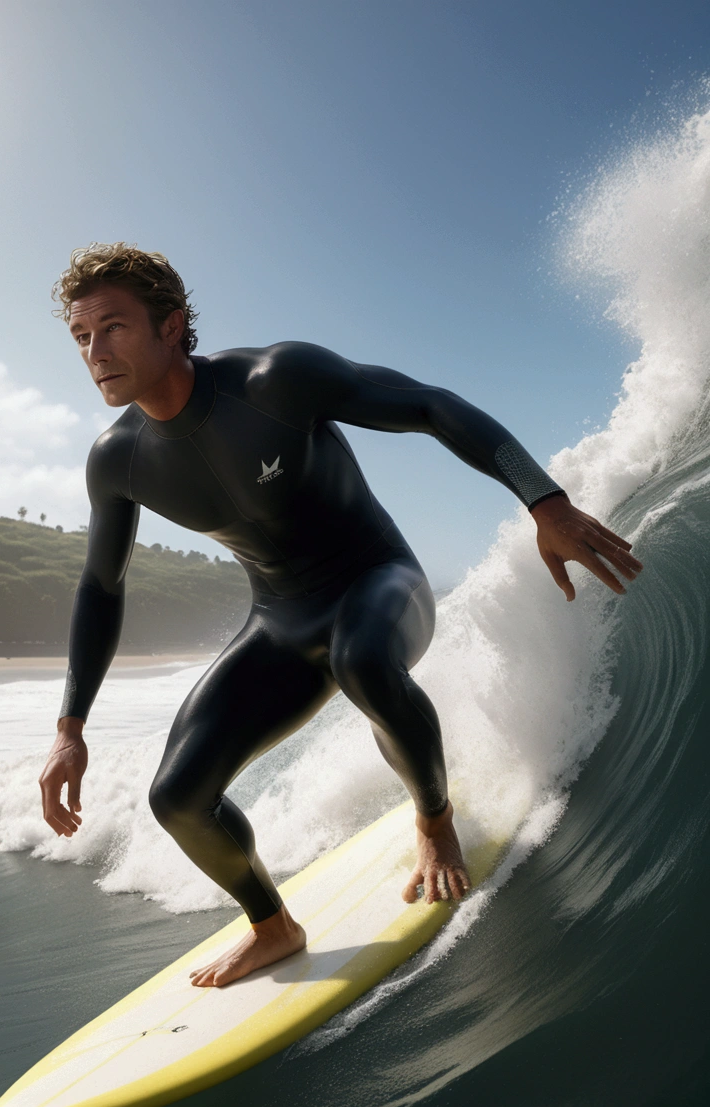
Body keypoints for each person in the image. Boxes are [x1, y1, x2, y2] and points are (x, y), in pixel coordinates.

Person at [39, 243, 642, 988]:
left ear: (171, 325)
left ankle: (434, 819)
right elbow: (102, 587)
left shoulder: (273, 381)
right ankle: (273, 927)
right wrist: (70, 728)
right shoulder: (118, 459)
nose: (95, 352)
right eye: (81, 337)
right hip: (281, 622)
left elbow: (428, 405)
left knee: (363, 661)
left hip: (379, 584)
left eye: (113, 328)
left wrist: (544, 502)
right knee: (177, 796)